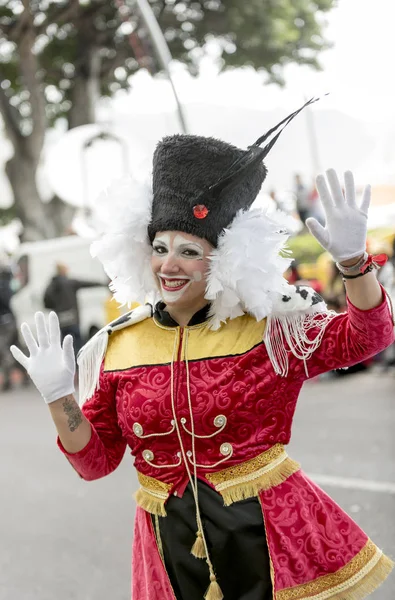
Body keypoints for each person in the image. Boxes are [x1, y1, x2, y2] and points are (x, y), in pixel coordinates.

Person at [10, 101, 394, 600]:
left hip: (270, 542)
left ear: (224, 258)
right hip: (170, 552)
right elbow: (96, 462)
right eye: (160, 247)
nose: (169, 265)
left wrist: (353, 264)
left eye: (189, 251)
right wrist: (60, 397)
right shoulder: (121, 344)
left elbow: (366, 338)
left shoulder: (268, 328)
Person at [43, 262, 104, 353]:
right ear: (63, 271)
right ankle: (80, 364)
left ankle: (70, 365)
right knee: (78, 344)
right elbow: (87, 283)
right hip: (73, 319)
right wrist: (103, 284)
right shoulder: (70, 283)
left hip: (61, 321)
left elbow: (46, 302)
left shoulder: (50, 286)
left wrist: (57, 308)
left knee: (65, 346)